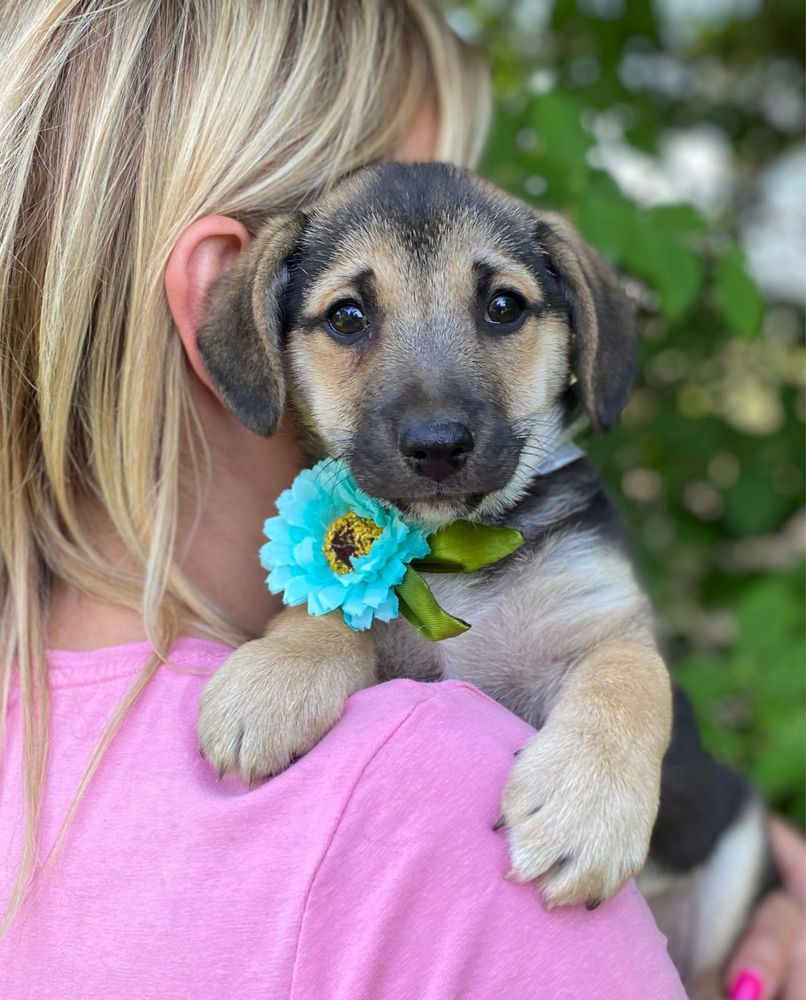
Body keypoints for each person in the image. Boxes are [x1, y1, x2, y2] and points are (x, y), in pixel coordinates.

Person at [0, 3, 800, 998]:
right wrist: (317, 638)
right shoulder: (424, 800)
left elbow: (610, 659)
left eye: (499, 306)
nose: (432, 411)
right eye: (351, 316)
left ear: (577, 335)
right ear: (245, 316)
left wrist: (659, 769)